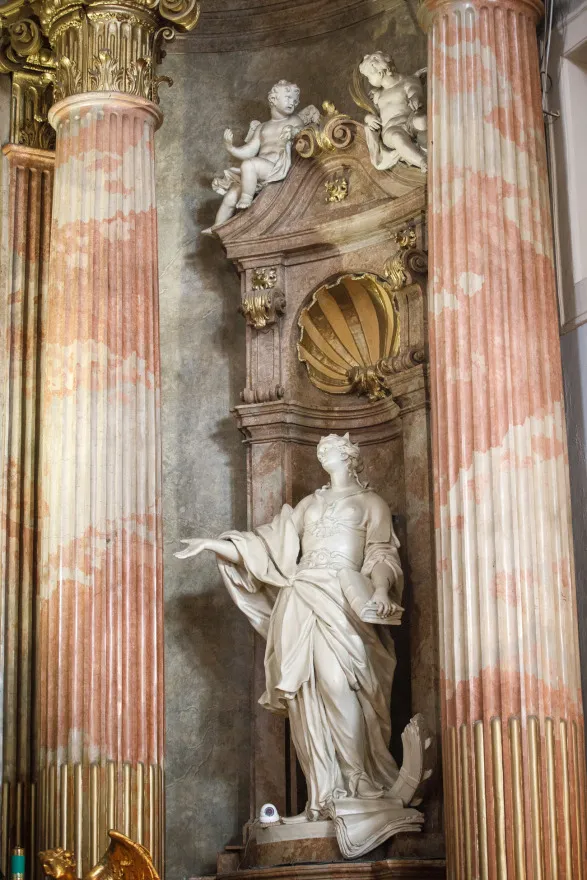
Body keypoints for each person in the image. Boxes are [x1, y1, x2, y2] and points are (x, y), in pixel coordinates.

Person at [176, 434, 419, 856]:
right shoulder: (308, 504)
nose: (324, 450)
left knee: (338, 683)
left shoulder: (370, 503)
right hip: (302, 595)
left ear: (351, 455)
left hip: (342, 597)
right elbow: (269, 546)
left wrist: (380, 590)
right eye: (320, 447)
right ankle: (325, 792)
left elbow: (381, 555)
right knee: (308, 693)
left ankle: (360, 778)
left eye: (332, 446)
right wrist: (218, 545)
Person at [358, 51, 428, 172]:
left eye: (369, 77)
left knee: (422, 120)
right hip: (391, 129)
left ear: (379, 71)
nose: (369, 81)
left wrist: (415, 98)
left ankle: (427, 149)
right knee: (397, 137)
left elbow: (414, 90)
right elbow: (373, 113)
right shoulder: (378, 95)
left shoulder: (407, 81)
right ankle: (422, 161)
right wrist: (369, 119)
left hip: (409, 121)